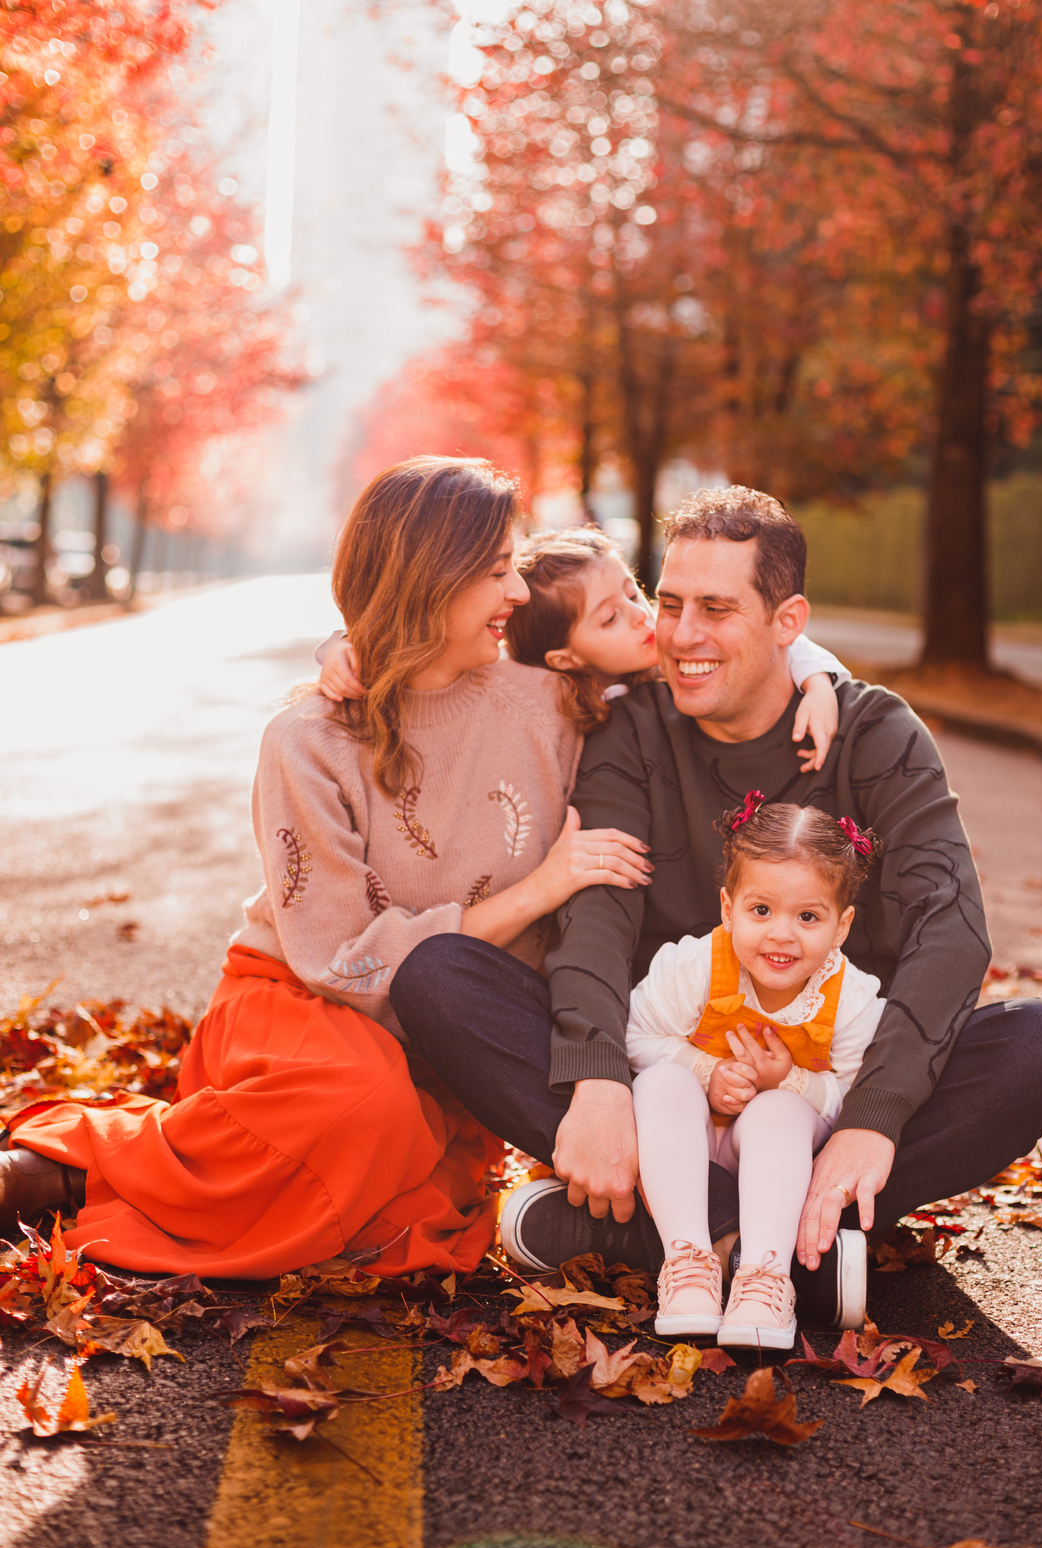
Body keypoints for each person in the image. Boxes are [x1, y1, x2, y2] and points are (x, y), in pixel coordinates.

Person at [392, 485, 1042, 1324]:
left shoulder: (875, 734)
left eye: (718, 610)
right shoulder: (630, 729)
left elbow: (953, 926)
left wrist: (874, 1116)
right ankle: (767, 1246)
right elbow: (598, 915)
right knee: (439, 973)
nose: (682, 636)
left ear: (787, 622)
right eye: (672, 604)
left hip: (826, 1090)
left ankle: (676, 1229)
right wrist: (598, 1080)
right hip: (668, 1086)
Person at [0, 457, 654, 1271]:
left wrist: (820, 684)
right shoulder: (307, 741)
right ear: (428, 582)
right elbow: (341, 962)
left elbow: (702, 675)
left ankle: (110, 1176)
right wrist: (544, 888)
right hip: (302, 1002)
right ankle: (68, 1171)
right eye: (494, 574)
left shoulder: (550, 700)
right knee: (366, 1107)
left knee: (396, 1193)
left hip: (449, 1039)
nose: (517, 595)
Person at [629, 800, 884, 1347]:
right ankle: (689, 1264)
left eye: (808, 917)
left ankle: (764, 1275)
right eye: (761, 910)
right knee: (660, 1082)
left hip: (780, 1158)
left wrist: (790, 1082)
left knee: (778, 1109)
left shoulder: (853, 1000)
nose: (781, 936)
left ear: (842, 926)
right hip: (686, 1139)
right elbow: (636, 1040)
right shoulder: (694, 966)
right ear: (727, 907)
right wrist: (706, 1070)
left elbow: (858, 1097)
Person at [316, 523, 849, 772]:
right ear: (565, 659)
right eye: (611, 618)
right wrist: (344, 646)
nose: (645, 615)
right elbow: (441, 668)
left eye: (633, 591)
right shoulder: (543, 696)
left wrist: (818, 682)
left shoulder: (677, 659)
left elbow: (766, 642)